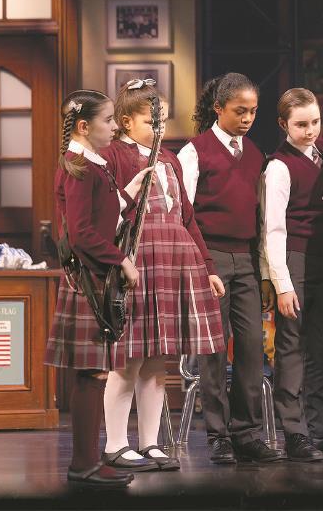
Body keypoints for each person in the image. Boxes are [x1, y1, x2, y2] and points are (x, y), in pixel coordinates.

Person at [98, 80, 225, 473]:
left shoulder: (169, 158)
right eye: (151, 121)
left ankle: (150, 442)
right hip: (137, 260)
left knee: (157, 360)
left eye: (163, 121)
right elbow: (106, 212)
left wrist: (208, 267)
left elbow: (187, 216)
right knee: (128, 358)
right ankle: (116, 444)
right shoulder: (113, 156)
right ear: (125, 121)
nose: (159, 128)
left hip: (173, 257)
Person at [45, 90, 151, 488]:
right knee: (91, 373)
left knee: (96, 373)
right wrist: (121, 260)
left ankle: (87, 462)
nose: (113, 127)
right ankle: (85, 464)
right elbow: (82, 234)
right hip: (88, 280)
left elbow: (104, 211)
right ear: (84, 126)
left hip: (96, 278)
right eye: (107, 121)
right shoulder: (79, 167)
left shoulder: (93, 165)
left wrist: (132, 189)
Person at [179, 73, 283, 464]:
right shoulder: (196, 152)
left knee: (253, 346)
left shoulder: (256, 155)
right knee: (214, 348)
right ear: (219, 108)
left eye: (253, 111)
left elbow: (262, 218)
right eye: (240, 111)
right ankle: (218, 434)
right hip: (211, 257)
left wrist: (265, 273)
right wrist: (200, 265)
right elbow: (184, 214)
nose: (247, 118)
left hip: (247, 259)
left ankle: (248, 433)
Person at [259, 88, 323, 462]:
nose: (310, 131)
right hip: (294, 259)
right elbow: (273, 229)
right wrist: (283, 284)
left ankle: (321, 426)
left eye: (315, 122)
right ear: (283, 124)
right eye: (301, 124)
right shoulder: (279, 166)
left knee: (322, 346)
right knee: (291, 346)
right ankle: (295, 432)